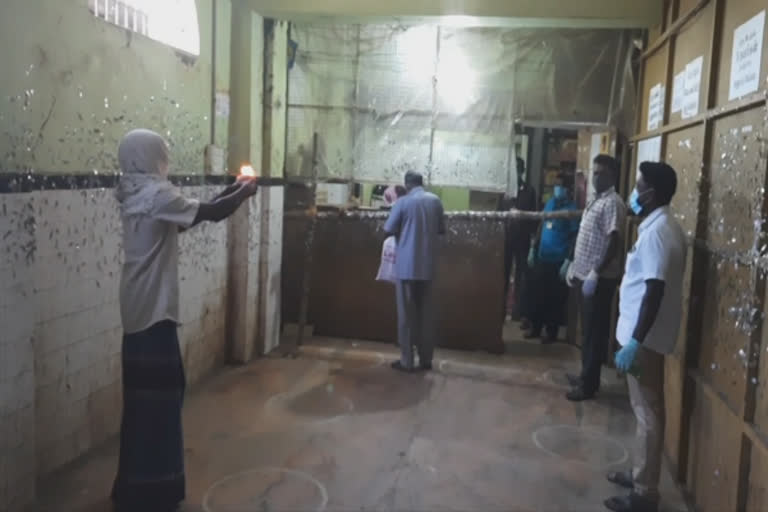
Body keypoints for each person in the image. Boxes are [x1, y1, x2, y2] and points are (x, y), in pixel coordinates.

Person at [111, 129, 259, 512]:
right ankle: (155, 492)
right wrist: (243, 192)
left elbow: (192, 216)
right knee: (161, 402)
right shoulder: (157, 194)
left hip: (136, 310)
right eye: (162, 153)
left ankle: (133, 488)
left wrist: (233, 188)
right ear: (150, 157)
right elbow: (210, 214)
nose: (166, 160)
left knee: (142, 404)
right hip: (155, 312)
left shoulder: (136, 191)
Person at [604, 162, 686, 512]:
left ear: (652, 192)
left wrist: (635, 341)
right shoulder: (659, 226)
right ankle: (640, 473)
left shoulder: (657, 233)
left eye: (639, 187)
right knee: (644, 410)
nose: (635, 193)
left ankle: (644, 494)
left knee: (647, 412)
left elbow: (654, 290)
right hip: (642, 338)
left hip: (645, 343)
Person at [565, 154, 627, 402]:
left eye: (601, 173)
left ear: (611, 175)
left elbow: (614, 241)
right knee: (587, 330)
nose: (595, 177)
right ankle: (585, 375)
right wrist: (573, 264)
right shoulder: (595, 201)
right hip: (584, 275)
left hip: (598, 280)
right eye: (595, 172)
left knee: (594, 332)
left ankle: (589, 385)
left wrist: (595, 272)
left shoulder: (613, 202)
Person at [384, 170, 446, 372]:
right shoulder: (435, 201)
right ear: (422, 183)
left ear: (407, 185)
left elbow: (389, 229)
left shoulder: (403, 202)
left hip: (407, 267)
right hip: (429, 267)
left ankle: (407, 361)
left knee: (406, 316)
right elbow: (441, 230)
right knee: (426, 315)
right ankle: (426, 360)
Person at [525, 174, 579, 342]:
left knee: (554, 299)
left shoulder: (572, 209)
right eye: (555, 185)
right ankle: (536, 328)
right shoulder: (550, 203)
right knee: (538, 295)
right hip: (543, 257)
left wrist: (568, 261)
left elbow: (575, 236)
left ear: (568, 189)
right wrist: (533, 247)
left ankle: (551, 333)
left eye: (560, 186)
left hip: (558, 261)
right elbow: (542, 223)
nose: (557, 189)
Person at [499, 157, 537, 320]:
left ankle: (518, 312)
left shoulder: (529, 190)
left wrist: (533, 241)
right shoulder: (505, 190)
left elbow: (533, 216)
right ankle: (500, 310)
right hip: (506, 239)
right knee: (503, 274)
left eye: (517, 169)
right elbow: (498, 213)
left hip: (523, 239)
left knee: (522, 276)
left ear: (522, 171)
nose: (514, 173)